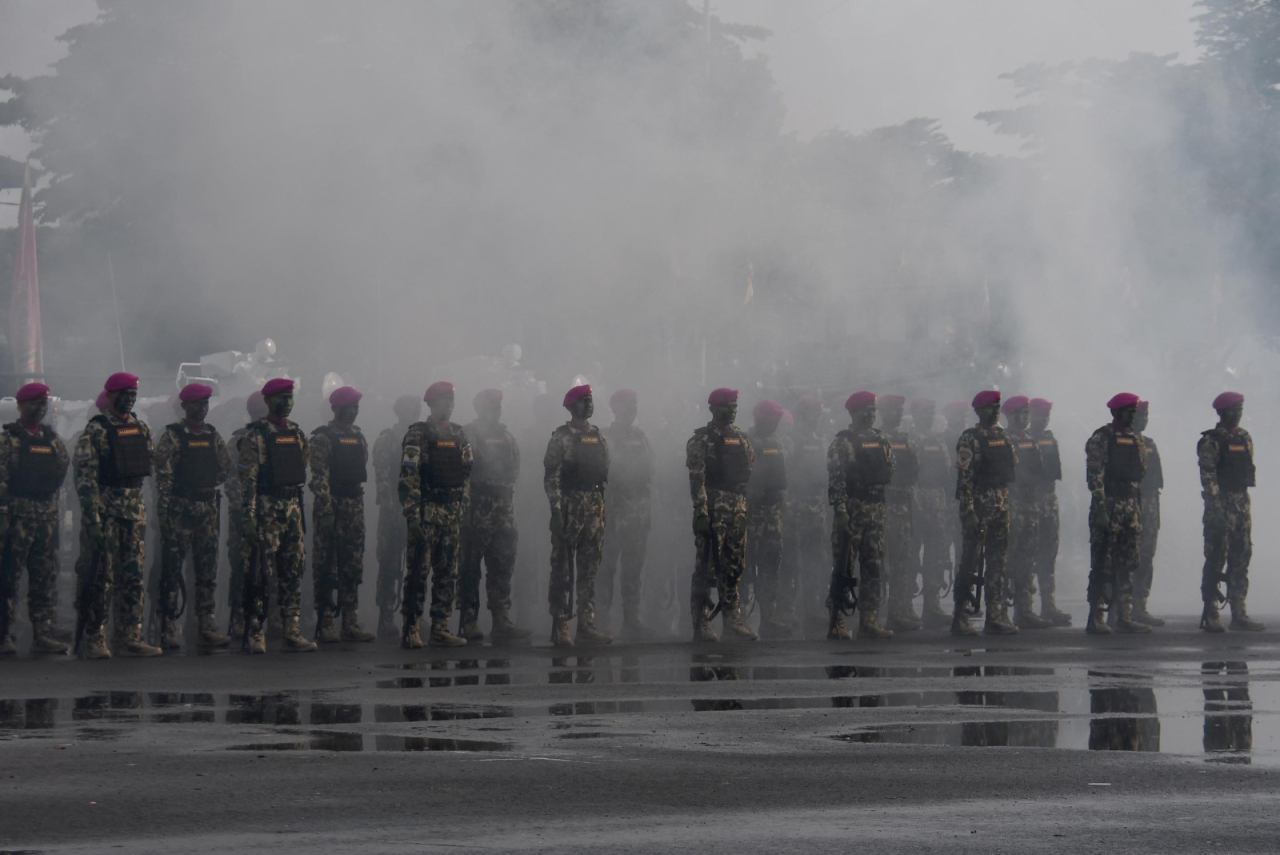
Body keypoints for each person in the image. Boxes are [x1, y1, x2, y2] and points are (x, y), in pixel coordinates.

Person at [73, 372, 162, 658]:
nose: (129, 399)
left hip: (134, 513)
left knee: (133, 576)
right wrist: (94, 521)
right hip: (106, 513)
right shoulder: (96, 431)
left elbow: (145, 469)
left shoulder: (141, 428)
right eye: (123, 393)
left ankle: (130, 635)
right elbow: (85, 480)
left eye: (133, 394)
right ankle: (95, 636)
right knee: (101, 577)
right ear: (110, 396)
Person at [151, 382, 233, 651]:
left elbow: (225, 469)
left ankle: (204, 625)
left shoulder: (212, 435)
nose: (203, 408)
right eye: (197, 403)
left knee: (206, 571)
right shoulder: (172, 437)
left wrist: (205, 485)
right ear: (185, 406)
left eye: (206, 403)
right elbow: (162, 478)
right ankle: (169, 625)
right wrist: (164, 512)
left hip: (206, 509)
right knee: (172, 571)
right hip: (179, 510)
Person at [239, 377, 317, 654]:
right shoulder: (256, 435)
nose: (286, 403)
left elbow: (301, 466)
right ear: (268, 401)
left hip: (292, 509)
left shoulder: (297, 433)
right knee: (261, 574)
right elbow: (247, 481)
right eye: (280, 398)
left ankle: (292, 631)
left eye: (290, 398)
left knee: (293, 572)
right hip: (266, 509)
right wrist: (248, 518)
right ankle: (256, 632)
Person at [0, 383, 71, 656]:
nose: (39, 408)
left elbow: (61, 470)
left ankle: (42, 633)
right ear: (21, 406)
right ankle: (5, 635)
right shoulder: (8, 439)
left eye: (43, 403)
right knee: (8, 579)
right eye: (34, 403)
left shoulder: (52, 439)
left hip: (45, 518)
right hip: (17, 518)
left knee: (44, 579)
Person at [399, 381, 470, 649]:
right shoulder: (418, 435)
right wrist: (412, 516)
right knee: (418, 572)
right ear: (431, 403)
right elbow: (409, 477)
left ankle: (440, 626)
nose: (449, 404)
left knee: (447, 573)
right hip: (426, 513)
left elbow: (466, 475)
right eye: (444, 400)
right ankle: (411, 626)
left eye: (452, 400)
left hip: (451, 514)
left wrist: (462, 509)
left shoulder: (459, 435)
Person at [686, 387, 758, 642]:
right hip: (713, 510)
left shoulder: (742, 437)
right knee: (706, 567)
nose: (732, 410)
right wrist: (701, 512)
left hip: (737, 509)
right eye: (727, 406)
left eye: (735, 406)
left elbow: (749, 469)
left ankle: (732, 619)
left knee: (734, 567)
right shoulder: (701, 440)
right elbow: (697, 479)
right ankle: (702, 622)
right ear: (713, 409)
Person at [544, 384, 613, 647]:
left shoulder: (599, 436)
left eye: (591, 400)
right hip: (569, 507)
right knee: (562, 568)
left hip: (594, 508)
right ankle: (561, 624)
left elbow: (604, 470)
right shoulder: (560, 438)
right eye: (584, 400)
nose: (589, 405)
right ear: (572, 406)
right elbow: (551, 478)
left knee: (589, 568)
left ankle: (586, 624)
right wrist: (556, 511)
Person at [458, 388, 529, 642]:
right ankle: (468, 620)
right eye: (490, 407)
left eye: (498, 407)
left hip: (503, 507)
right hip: (477, 506)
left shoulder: (507, 437)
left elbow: (515, 468)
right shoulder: (468, 435)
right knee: (469, 567)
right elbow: (462, 471)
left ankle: (501, 619)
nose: (495, 411)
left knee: (502, 565)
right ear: (479, 408)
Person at [309, 385, 375, 644]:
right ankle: (325, 621)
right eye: (349, 407)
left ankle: (350, 621)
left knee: (352, 564)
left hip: (354, 505)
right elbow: (318, 476)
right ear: (336, 409)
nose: (353, 412)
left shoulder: (358, 436)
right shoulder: (322, 438)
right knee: (326, 565)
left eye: (356, 407)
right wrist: (326, 510)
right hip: (331, 505)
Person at [826, 391, 894, 640]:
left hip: (875, 510)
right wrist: (841, 510)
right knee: (844, 568)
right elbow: (836, 479)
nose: (871, 414)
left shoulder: (882, 440)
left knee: (874, 567)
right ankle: (837, 621)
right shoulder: (842, 443)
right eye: (867, 410)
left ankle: (870, 620)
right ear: (853, 413)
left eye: (874, 410)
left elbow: (890, 469)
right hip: (852, 509)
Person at [952, 390, 1018, 636]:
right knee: (970, 561)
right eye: (991, 407)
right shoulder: (969, 439)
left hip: (1000, 503)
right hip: (978, 504)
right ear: (979, 411)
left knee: (998, 563)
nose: (996, 411)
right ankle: (960, 615)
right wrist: (968, 510)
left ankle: (996, 615)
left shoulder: (1003, 436)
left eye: (998, 406)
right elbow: (964, 478)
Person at [1084, 392, 1150, 635]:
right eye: (1129, 412)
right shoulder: (1102, 438)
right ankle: (1096, 616)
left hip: (1130, 506)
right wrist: (1100, 507)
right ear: (1116, 412)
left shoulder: (1135, 439)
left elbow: (1140, 472)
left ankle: (1125, 615)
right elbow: (1094, 476)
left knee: (1128, 562)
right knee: (1103, 562)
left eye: (1134, 412)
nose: (1133, 416)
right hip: (1108, 505)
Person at [1198, 391, 1262, 632]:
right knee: (1216, 558)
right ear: (1222, 412)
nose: (1239, 414)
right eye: (1235, 409)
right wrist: (1215, 509)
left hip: (1241, 504)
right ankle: (1212, 612)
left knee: (1241, 558)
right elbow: (1208, 475)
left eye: (1241, 409)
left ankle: (1239, 612)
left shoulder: (1244, 437)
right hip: (1220, 505)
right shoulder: (1211, 441)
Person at [598, 388, 655, 638]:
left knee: (633, 567)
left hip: (637, 511)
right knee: (606, 567)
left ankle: (631, 619)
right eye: (627, 406)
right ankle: (602, 620)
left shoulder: (641, 438)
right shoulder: (603, 437)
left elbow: (651, 469)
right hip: (611, 511)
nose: (631, 411)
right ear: (615, 409)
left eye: (634, 406)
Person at [373, 394, 420, 639]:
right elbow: (382, 477)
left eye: (416, 409)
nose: (413, 414)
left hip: (416, 511)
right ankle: (386, 616)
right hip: (393, 509)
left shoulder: (421, 439)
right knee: (390, 563)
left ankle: (411, 617)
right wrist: (392, 510)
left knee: (417, 565)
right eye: (409, 409)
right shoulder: (389, 440)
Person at [1002, 395, 1052, 629]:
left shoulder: (1031, 439)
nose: (1024, 418)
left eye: (1026, 414)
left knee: (1027, 558)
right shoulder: (1004, 439)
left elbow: (1039, 472)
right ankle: (1000, 610)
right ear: (1009, 416)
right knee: (1006, 560)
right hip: (1012, 506)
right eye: (1020, 414)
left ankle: (1025, 609)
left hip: (1031, 505)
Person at [745, 399, 791, 638]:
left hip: (773, 515)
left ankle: (768, 618)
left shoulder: (777, 443)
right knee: (743, 568)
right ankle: (739, 618)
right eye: (771, 419)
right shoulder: (746, 442)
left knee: (770, 567)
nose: (775, 424)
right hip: (751, 515)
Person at [225, 392, 269, 640]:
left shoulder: (273, 438)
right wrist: (248, 512)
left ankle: (268, 616)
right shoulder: (240, 442)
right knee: (244, 569)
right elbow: (234, 484)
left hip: (269, 514)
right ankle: (241, 617)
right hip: (245, 517)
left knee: (268, 570)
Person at [786, 395, 830, 635]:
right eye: (814, 413)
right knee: (790, 562)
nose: (818, 418)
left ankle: (812, 607)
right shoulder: (791, 440)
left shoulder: (820, 439)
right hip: (796, 506)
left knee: (817, 560)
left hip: (816, 507)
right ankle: (786, 609)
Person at [879, 394, 921, 631]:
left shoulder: (908, 442)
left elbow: (915, 472)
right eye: (894, 409)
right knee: (877, 563)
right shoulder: (874, 440)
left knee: (902, 561)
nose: (898, 413)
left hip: (902, 508)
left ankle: (898, 609)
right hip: (881, 507)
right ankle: (874, 612)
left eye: (901, 409)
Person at [1028, 398, 1071, 626]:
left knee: (1048, 554)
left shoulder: (1049, 438)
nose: (1043, 419)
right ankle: (1024, 607)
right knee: (1024, 556)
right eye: (1039, 415)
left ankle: (1048, 605)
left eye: (1046, 416)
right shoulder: (1020, 439)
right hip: (1027, 503)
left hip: (1048, 500)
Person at [909, 398, 952, 629]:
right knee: (910, 556)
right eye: (925, 412)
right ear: (915, 415)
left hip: (937, 504)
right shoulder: (909, 440)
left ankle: (932, 606)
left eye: (931, 412)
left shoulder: (938, 440)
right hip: (916, 503)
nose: (929, 417)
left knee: (935, 557)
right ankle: (903, 606)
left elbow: (945, 473)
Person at [1132, 400, 1165, 627]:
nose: (1143, 420)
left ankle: (1140, 605)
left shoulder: (1150, 444)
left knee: (1146, 557)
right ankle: (1122, 607)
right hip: (1130, 505)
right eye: (1139, 416)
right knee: (1126, 558)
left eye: (1146, 416)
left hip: (1150, 506)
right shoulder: (1117, 442)